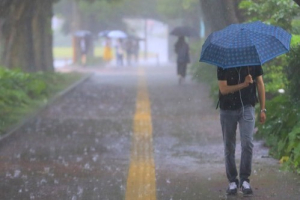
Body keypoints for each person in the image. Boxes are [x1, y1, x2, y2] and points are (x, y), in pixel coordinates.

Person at [217, 65, 266, 196]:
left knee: (247, 143)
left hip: (247, 107)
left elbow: (260, 83)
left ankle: (245, 180)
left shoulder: (252, 59)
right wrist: (243, 84)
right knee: (229, 145)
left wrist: (262, 109)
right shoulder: (224, 62)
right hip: (227, 108)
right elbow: (223, 89)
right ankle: (232, 181)